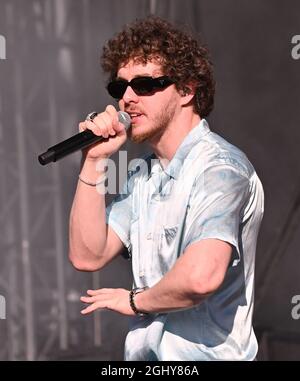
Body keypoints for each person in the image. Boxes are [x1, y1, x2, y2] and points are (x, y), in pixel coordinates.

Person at [69, 16, 264, 361]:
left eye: (145, 85)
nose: (127, 98)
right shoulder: (142, 175)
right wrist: (94, 161)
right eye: (120, 87)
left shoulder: (218, 169)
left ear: (187, 90)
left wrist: (133, 300)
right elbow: (89, 254)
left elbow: (201, 278)